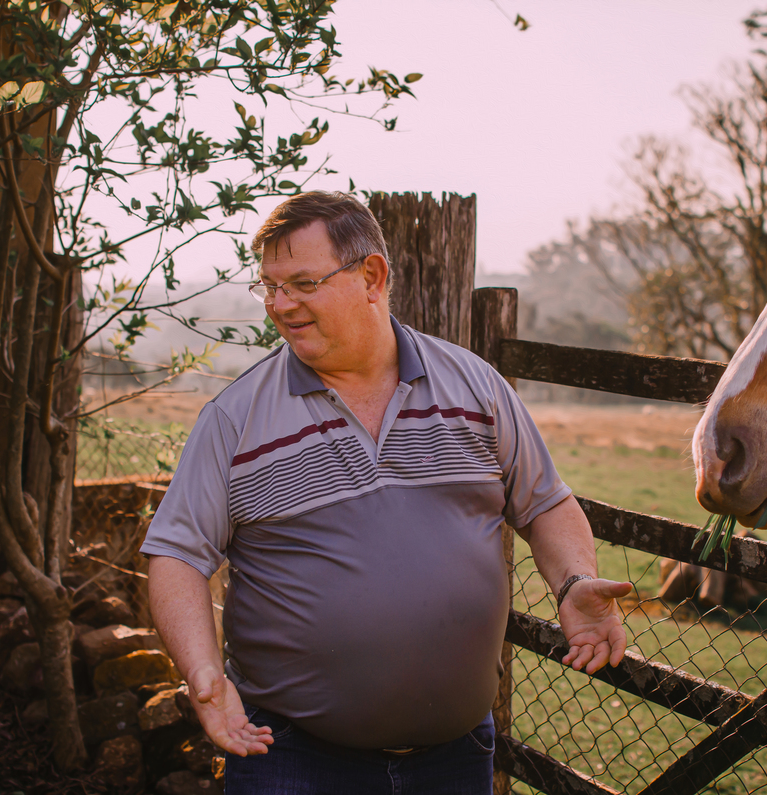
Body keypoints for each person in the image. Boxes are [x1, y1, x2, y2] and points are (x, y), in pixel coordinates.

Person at [142, 191, 632, 794]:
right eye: (269, 287)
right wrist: (203, 673)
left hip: (453, 758)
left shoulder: (474, 387)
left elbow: (545, 502)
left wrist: (575, 582)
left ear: (371, 277)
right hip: (289, 756)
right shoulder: (235, 418)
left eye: (302, 284)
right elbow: (176, 555)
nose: (280, 305)